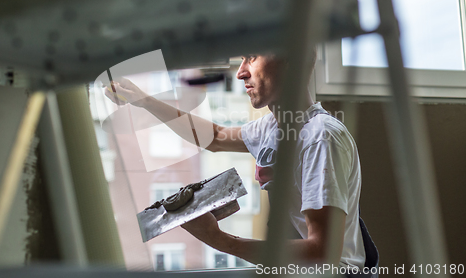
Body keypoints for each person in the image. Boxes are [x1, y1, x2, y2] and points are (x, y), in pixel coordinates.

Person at [104, 53, 378, 276]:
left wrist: (221, 241)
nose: (241, 72)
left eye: (253, 57)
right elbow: (216, 137)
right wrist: (145, 101)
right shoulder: (274, 127)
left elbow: (323, 252)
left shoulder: (320, 138)